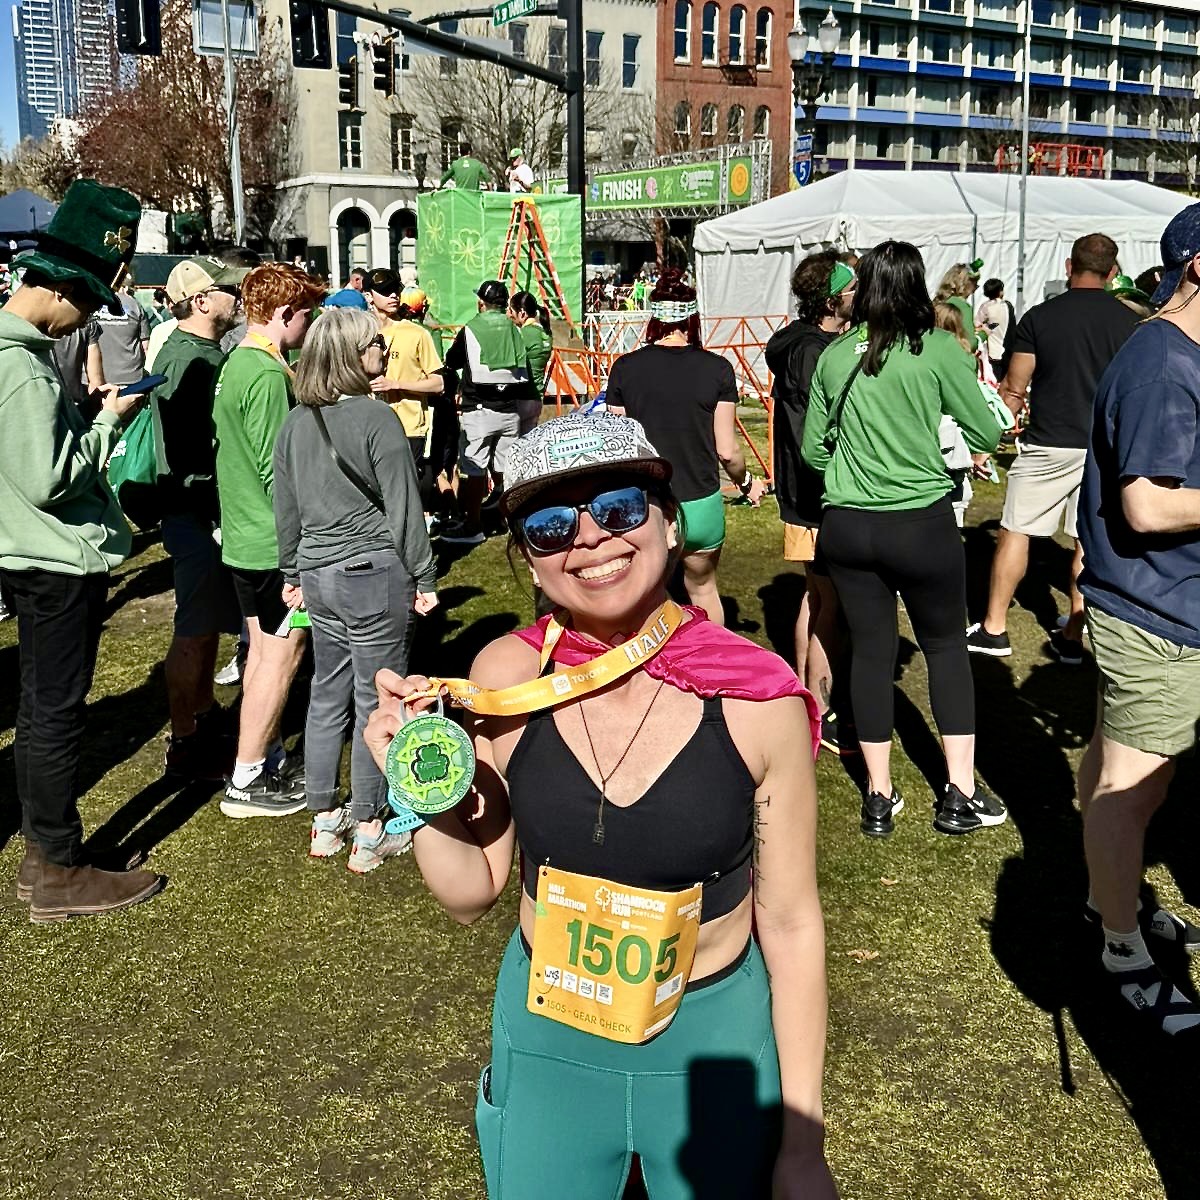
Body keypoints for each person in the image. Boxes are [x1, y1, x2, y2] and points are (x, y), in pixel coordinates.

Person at [363, 411, 836, 1199]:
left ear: (669, 524)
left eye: (617, 508)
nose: (588, 539)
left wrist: (803, 1143)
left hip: (710, 1046)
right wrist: (418, 784)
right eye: (550, 526)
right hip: (550, 1044)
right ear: (528, 557)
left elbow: (789, 922)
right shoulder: (505, 679)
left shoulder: (756, 696)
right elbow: (470, 891)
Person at [0, 179, 165, 921]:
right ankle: (59, 867)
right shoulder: (19, 365)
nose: (88, 320)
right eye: (90, 304)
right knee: (56, 715)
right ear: (62, 289)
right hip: (56, 559)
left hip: (27, 555)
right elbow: (50, 479)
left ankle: (46, 858)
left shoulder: (18, 357)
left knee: (42, 710)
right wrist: (106, 425)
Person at [802, 240, 1005, 839]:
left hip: (848, 524)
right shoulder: (938, 348)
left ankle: (878, 793)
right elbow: (986, 431)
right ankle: (959, 792)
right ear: (916, 285)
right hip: (920, 522)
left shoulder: (835, 355)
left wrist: (857, 468)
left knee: (871, 652)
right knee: (944, 648)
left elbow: (814, 450)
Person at [1074, 204, 1200, 1038]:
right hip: (1158, 610)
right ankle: (1122, 949)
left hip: (1154, 602)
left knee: (1115, 770)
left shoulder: (1175, 354)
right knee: (1133, 788)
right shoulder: (1164, 365)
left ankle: (1106, 902)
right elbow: (1147, 506)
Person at [274, 308, 438, 873]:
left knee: (327, 691)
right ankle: (369, 825)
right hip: (373, 572)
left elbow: (286, 509)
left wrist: (291, 573)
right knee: (379, 698)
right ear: (350, 354)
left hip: (317, 574)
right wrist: (425, 575)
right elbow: (404, 507)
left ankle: (324, 818)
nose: (383, 351)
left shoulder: (295, 423)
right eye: (375, 344)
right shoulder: (376, 417)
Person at [967, 233, 1137, 666]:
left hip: (1048, 442)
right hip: (1103, 447)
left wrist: (987, 441)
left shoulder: (1041, 317)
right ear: (1112, 273)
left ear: (1068, 266)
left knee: (1015, 530)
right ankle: (1073, 634)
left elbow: (1013, 388)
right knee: (1086, 540)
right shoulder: (1129, 323)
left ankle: (994, 628)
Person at [213, 261, 327, 818]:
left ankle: (264, 756)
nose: (311, 324)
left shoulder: (240, 362)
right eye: (308, 314)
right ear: (285, 313)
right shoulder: (263, 375)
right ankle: (248, 777)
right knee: (281, 656)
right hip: (270, 545)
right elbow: (276, 472)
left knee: (263, 654)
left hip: (246, 536)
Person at [605, 268, 766, 625]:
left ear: (653, 318)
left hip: (646, 504)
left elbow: (618, 444)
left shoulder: (625, 368)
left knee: (646, 598)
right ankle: (712, 658)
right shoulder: (717, 369)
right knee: (704, 590)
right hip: (700, 502)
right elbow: (728, 451)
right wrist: (746, 483)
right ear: (692, 318)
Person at [152, 255, 249, 780]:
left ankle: (204, 714)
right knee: (192, 625)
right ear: (202, 301)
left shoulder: (200, 351)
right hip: (195, 511)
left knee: (206, 620)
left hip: (200, 507)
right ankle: (185, 741)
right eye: (229, 291)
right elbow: (188, 448)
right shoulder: (189, 359)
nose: (238, 299)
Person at [764, 252, 855, 751]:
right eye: (852, 288)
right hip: (815, 493)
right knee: (830, 604)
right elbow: (813, 432)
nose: (859, 295)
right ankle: (821, 709)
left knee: (816, 597)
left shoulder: (803, 343)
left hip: (804, 491)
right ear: (831, 300)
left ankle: (806, 696)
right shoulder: (811, 352)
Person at [440, 279, 532, 545]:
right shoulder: (514, 329)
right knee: (506, 470)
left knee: (475, 470)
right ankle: (510, 522)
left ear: (481, 302)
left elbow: (452, 360)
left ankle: (473, 526)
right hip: (510, 411)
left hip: (478, 410)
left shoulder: (471, 328)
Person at [364, 266, 444, 513]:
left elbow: (438, 383)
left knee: (405, 491)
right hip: (367, 425)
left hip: (408, 427)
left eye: (395, 290)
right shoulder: (360, 332)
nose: (393, 296)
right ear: (368, 296)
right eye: (384, 291)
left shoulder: (416, 333)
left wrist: (396, 384)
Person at [507, 289, 551, 435]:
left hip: (522, 397)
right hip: (537, 398)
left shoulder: (524, 335)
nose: (509, 315)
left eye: (511, 311)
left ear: (522, 313)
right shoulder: (546, 333)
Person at [93, 276, 150, 387]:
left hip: (97, 378)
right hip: (131, 378)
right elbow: (146, 347)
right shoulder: (135, 305)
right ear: (125, 288)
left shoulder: (94, 302)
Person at [51, 312, 104, 413]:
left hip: (43, 406)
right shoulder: (87, 321)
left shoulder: (31, 321)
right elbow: (96, 381)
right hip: (75, 408)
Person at [977, 277, 1013, 379]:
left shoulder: (986, 307)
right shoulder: (1008, 306)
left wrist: (986, 327)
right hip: (1008, 350)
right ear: (1000, 291)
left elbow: (977, 325)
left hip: (993, 352)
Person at [934, 263, 978, 336]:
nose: (975, 290)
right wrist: (983, 334)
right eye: (975, 285)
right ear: (966, 285)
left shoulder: (937, 301)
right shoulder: (964, 307)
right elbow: (970, 340)